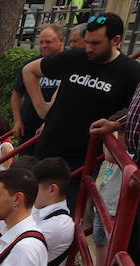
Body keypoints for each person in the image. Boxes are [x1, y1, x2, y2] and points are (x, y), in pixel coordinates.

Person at [22, 13, 140, 176]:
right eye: (87, 42)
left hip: (84, 162)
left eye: (96, 43)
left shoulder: (131, 72)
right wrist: (42, 108)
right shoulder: (75, 57)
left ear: (116, 40)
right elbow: (29, 70)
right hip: (47, 152)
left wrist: (117, 124)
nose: (89, 48)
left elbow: (134, 111)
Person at [29, 156, 74, 266]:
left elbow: (10, 255)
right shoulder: (43, 211)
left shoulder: (56, 226)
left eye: (34, 188)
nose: (29, 193)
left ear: (52, 190)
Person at [12, 23, 66, 141]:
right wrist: (17, 120)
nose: (44, 46)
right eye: (41, 42)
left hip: (54, 133)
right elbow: (16, 94)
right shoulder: (30, 66)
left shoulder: (68, 66)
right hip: (28, 131)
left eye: (48, 42)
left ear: (61, 41)